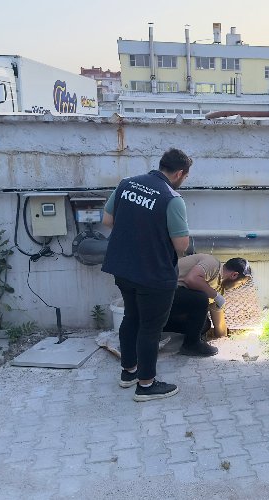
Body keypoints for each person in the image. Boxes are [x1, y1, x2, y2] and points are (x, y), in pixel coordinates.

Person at [102, 148, 192, 402]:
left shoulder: (126, 185)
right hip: (154, 273)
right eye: (184, 176)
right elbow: (181, 246)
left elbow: (107, 220)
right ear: (179, 173)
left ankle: (128, 372)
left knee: (131, 317)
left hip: (124, 266)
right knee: (151, 328)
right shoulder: (172, 198)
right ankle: (146, 384)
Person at [167, 254, 251, 356]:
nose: (237, 288)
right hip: (162, 291)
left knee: (204, 325)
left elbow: (218, 321)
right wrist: (216, 296)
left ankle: (159, 327)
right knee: (200, 299)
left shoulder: (219, 289)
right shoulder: (213, 264)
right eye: (240, 283)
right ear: (234, 275)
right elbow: (191, 279)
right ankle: (191, 345)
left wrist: (223, 336)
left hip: (172, 305)